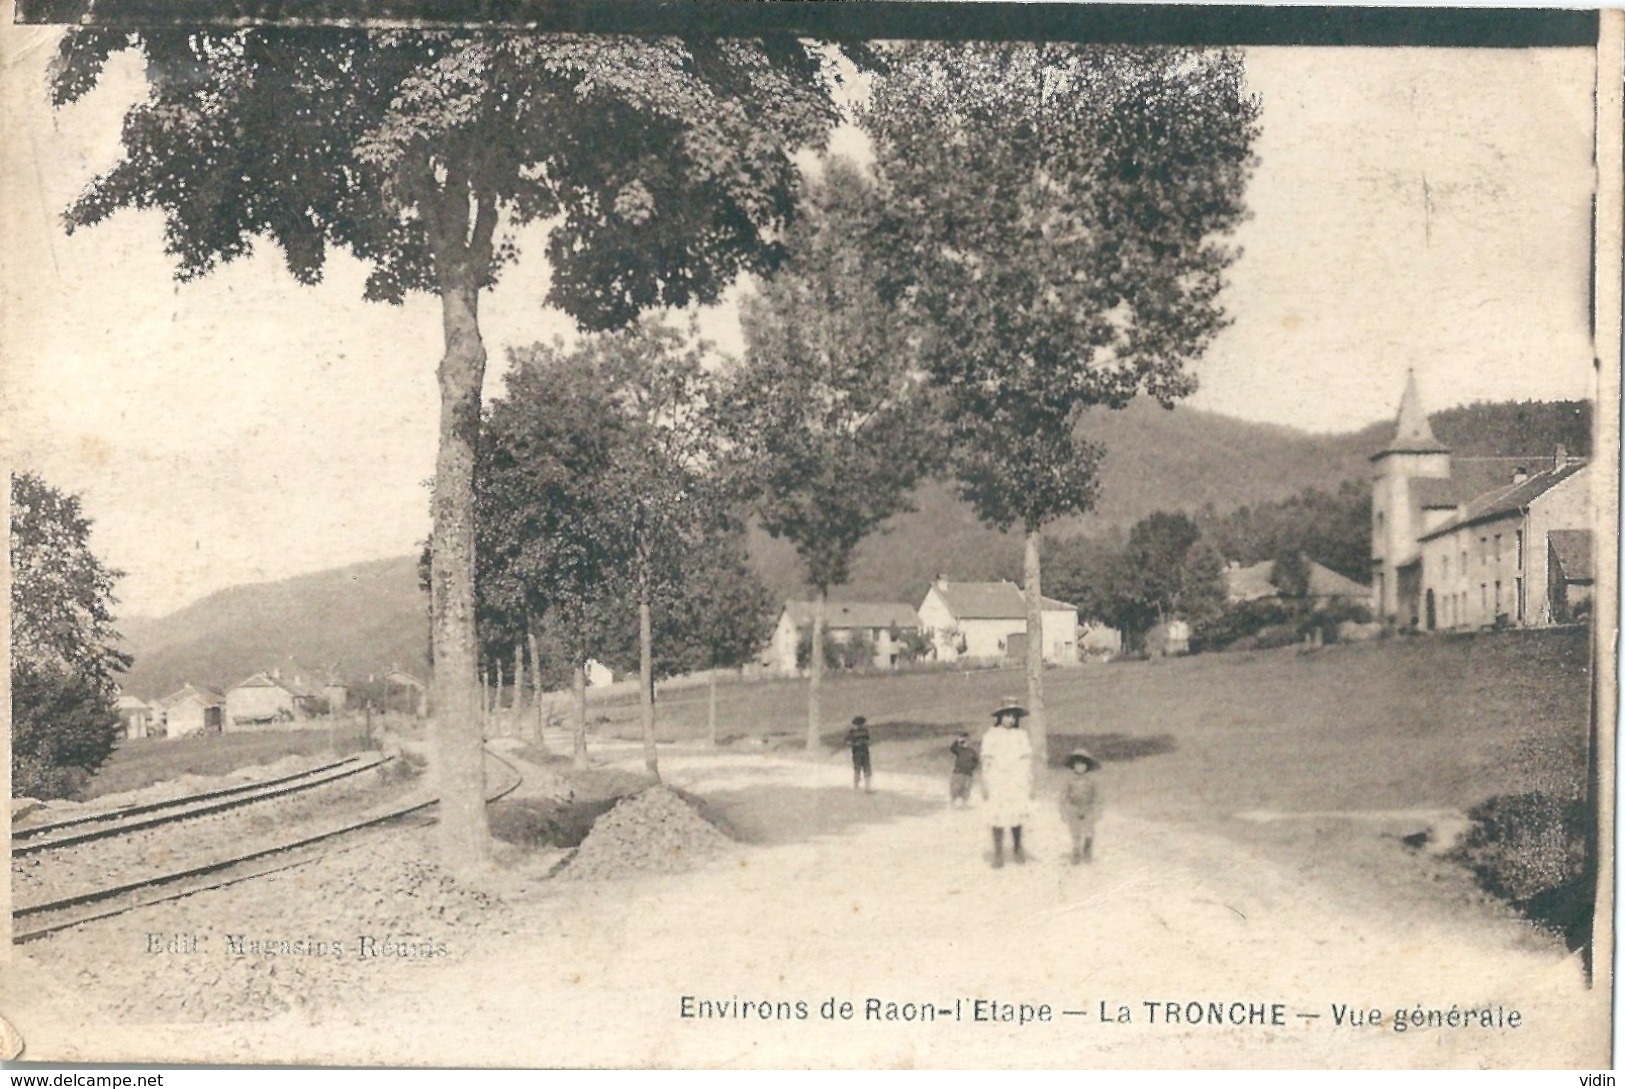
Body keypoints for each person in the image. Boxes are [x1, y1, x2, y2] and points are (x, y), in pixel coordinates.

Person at [979, 699, 1034, 867]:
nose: (1010, 720)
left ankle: (1017, 847)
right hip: (998, 779)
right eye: (1007, 716)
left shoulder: (1021, 735)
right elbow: (986, 760)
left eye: (1014, 717)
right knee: (998, 815)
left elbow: (1026, 759)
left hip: (1016, 779)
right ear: (1000, 717)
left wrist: (1028, 780)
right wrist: (985, 782)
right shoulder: (992, 735)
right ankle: (998, 852)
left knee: (1015, 814)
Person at [1060, 747, 1102, 864]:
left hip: (1088, 807)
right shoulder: (1069, 780)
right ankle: (1076, 850)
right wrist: (1063, 810)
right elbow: (1064, 795)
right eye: (1077, 764)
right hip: (1073, 807)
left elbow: (1097, 796)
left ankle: (1087, 848)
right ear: (1073, 766)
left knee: (1089, 830)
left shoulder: (1092, 780)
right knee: (1075, 831)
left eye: (1083, 764)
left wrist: (1097, 809)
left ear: (1087, 766)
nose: (1080, 767)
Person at [948, 732, 979, 808]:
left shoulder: (971, 751)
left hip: (968, 774)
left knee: (966, 790)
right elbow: (952, 748)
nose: (966, 742)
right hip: (958, 772)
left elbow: (977, 761)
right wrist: (957, 740)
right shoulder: (959, 749)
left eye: (967, 740)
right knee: (955, 789)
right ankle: (952, 804)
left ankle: (964, 804)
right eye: (964, 740)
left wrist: (972, 767)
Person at [845, 715, 873, 792]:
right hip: (861, 752)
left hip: (859, 752)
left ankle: (862, 786)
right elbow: (848, 742)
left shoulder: (856, 732)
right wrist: (856, 744)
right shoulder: (862, 732)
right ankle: (860, 785)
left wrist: (856, 743)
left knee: (861, 768)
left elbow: (847, 742)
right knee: (863, 768)